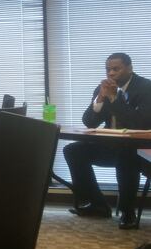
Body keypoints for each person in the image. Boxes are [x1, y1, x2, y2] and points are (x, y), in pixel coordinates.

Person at [64, 53, 151, 229]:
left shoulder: (145, 88)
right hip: (111, 145)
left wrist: (114, 100)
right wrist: (100, 99)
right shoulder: (102, 88)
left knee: (126, 155)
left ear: (130, 68)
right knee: (73, 151)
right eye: (108, 69)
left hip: (138, 150)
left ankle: (128, 211)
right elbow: (89, 121)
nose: (110, 73)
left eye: (115, 69)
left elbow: (140, 123)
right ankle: (97, 205)